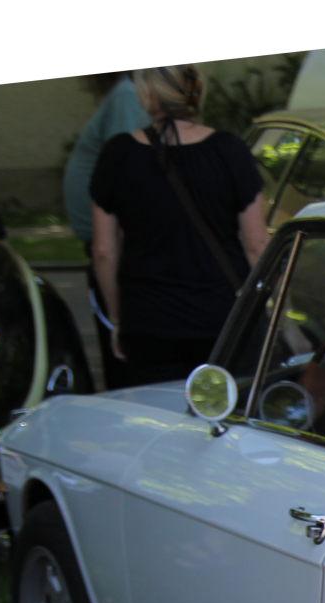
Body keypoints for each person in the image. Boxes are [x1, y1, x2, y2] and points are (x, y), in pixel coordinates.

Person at [88, 65, 267, 388]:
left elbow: (103, 250)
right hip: (222, 318)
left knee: (157, 420)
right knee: (228, 419)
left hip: (148, 321)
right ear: (196, 91)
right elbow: (256, 244)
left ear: (146, 93)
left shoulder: (118, 155)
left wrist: (117, 319)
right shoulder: (229, 150)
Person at [64, 73, 150, 390]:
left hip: (115, 249)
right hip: (113, 246)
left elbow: (127, 174)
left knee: (124, 355)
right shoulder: (123, 95)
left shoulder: (125, 95)